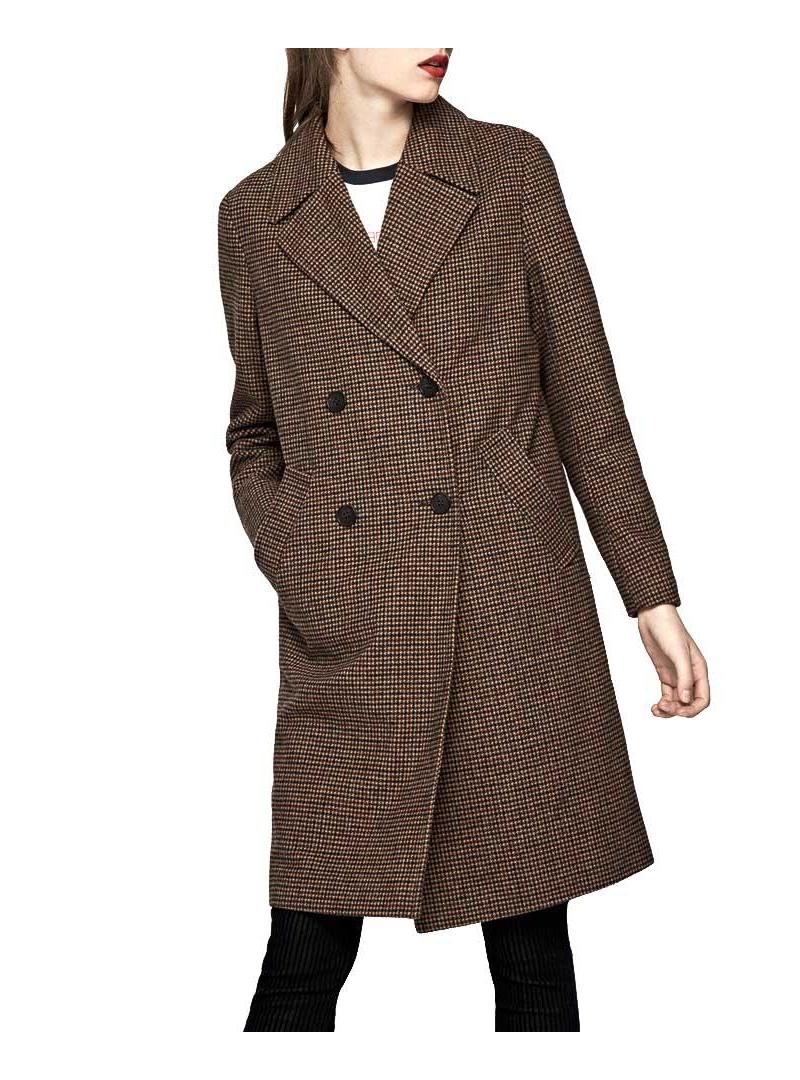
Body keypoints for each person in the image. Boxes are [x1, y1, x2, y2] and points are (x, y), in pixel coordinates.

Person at [218, 47, 710, 1032]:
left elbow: (583, 394)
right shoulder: (256, 213)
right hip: (351, 617)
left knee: (530, 951)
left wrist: (649, 597)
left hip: (502, 605)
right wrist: (302, 557)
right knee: (305, 949)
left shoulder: (506, 168)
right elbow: (255, 429)